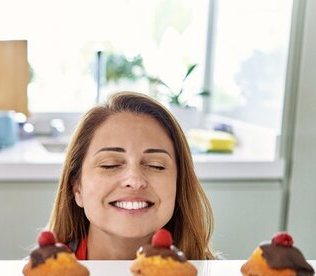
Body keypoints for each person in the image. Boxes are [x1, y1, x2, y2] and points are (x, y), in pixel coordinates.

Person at [49, 91, 216, 260]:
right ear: (77, 187)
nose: (135, 180)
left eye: (155, 166)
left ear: (179, 184)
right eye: (110, 165)